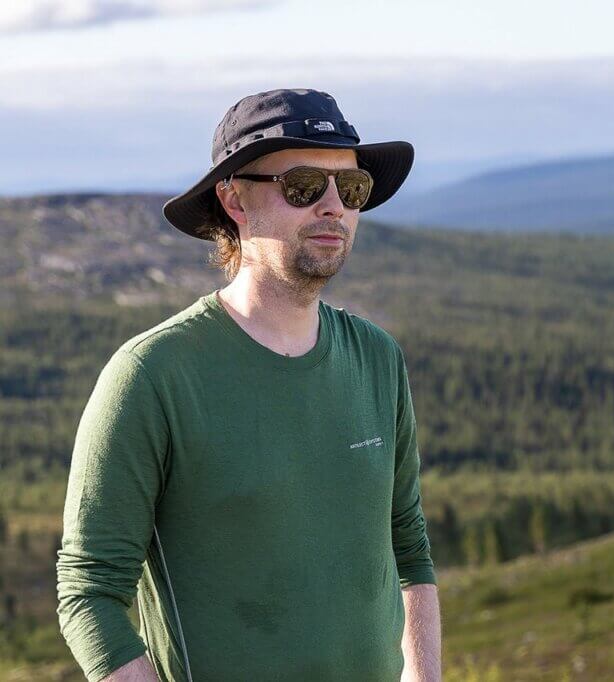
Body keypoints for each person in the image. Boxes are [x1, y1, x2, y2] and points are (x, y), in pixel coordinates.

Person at [55, 88, 442, 682]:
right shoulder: (153, 376)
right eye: (304, 186)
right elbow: (88, 592)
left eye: (352, 187)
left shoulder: (377, 358)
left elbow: (408, 545)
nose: (334, 207)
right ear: (234, 199)